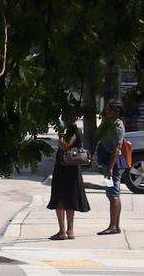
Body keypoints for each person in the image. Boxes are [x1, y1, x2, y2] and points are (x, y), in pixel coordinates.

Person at [46, 118, 89, 239]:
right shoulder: (74, 130)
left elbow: (64, 145)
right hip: (69, 169)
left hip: (66, 169)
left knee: (61, 199)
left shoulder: (73, 131)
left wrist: (60, 134)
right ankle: (69, 230)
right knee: (69, 198)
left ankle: (63, 231)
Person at [95, 99, 127, 235]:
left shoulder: (117, 125)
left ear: (117, 111)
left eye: (109, 109)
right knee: (110, 193)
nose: (106, 111)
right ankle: (115, 225)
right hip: (106, 163)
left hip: (113, 164)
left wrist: (110, 168)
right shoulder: (107, 122)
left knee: (114, 193)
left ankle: (113, 226)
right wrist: (105, 114)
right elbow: (99, 132)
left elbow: (117, 148)